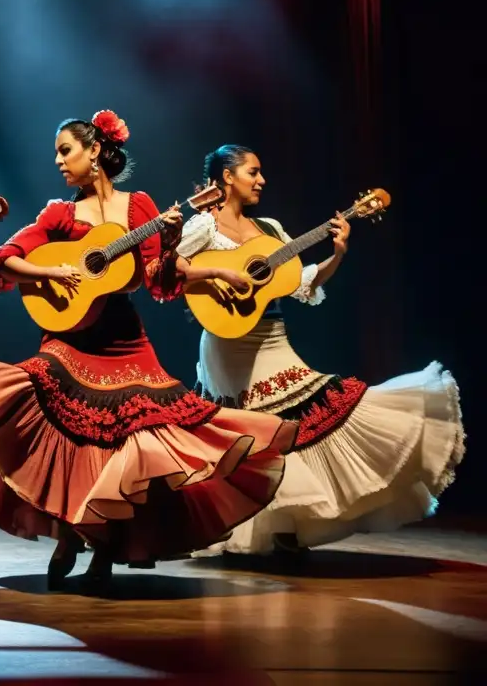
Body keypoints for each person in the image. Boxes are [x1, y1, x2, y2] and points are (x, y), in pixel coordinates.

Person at [0, 111, 297, 589]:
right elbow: (6, 260)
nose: (59, 161)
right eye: (56, 153)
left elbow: (159, 281)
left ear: (94, 152)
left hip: (123, 337)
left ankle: (104, 544)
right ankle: (71, 531)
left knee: (129, 440)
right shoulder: (59, 214)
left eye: (65, 150)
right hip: (68, 340)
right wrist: (52, 273)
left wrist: (168, 246)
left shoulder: (140, 208)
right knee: (64, 435)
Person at [176, 144, 464, 554]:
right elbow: (172, 271)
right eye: (253, 172)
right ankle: (256, 523)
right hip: (228, 340)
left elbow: (301, 282)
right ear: (227, 177)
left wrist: (337, 254)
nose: (262, 180)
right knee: (248, 431)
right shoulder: (203, 227)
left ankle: (288, 521)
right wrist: (222, 271)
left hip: (272, 334)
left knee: (298, 422)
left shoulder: (271, 230)